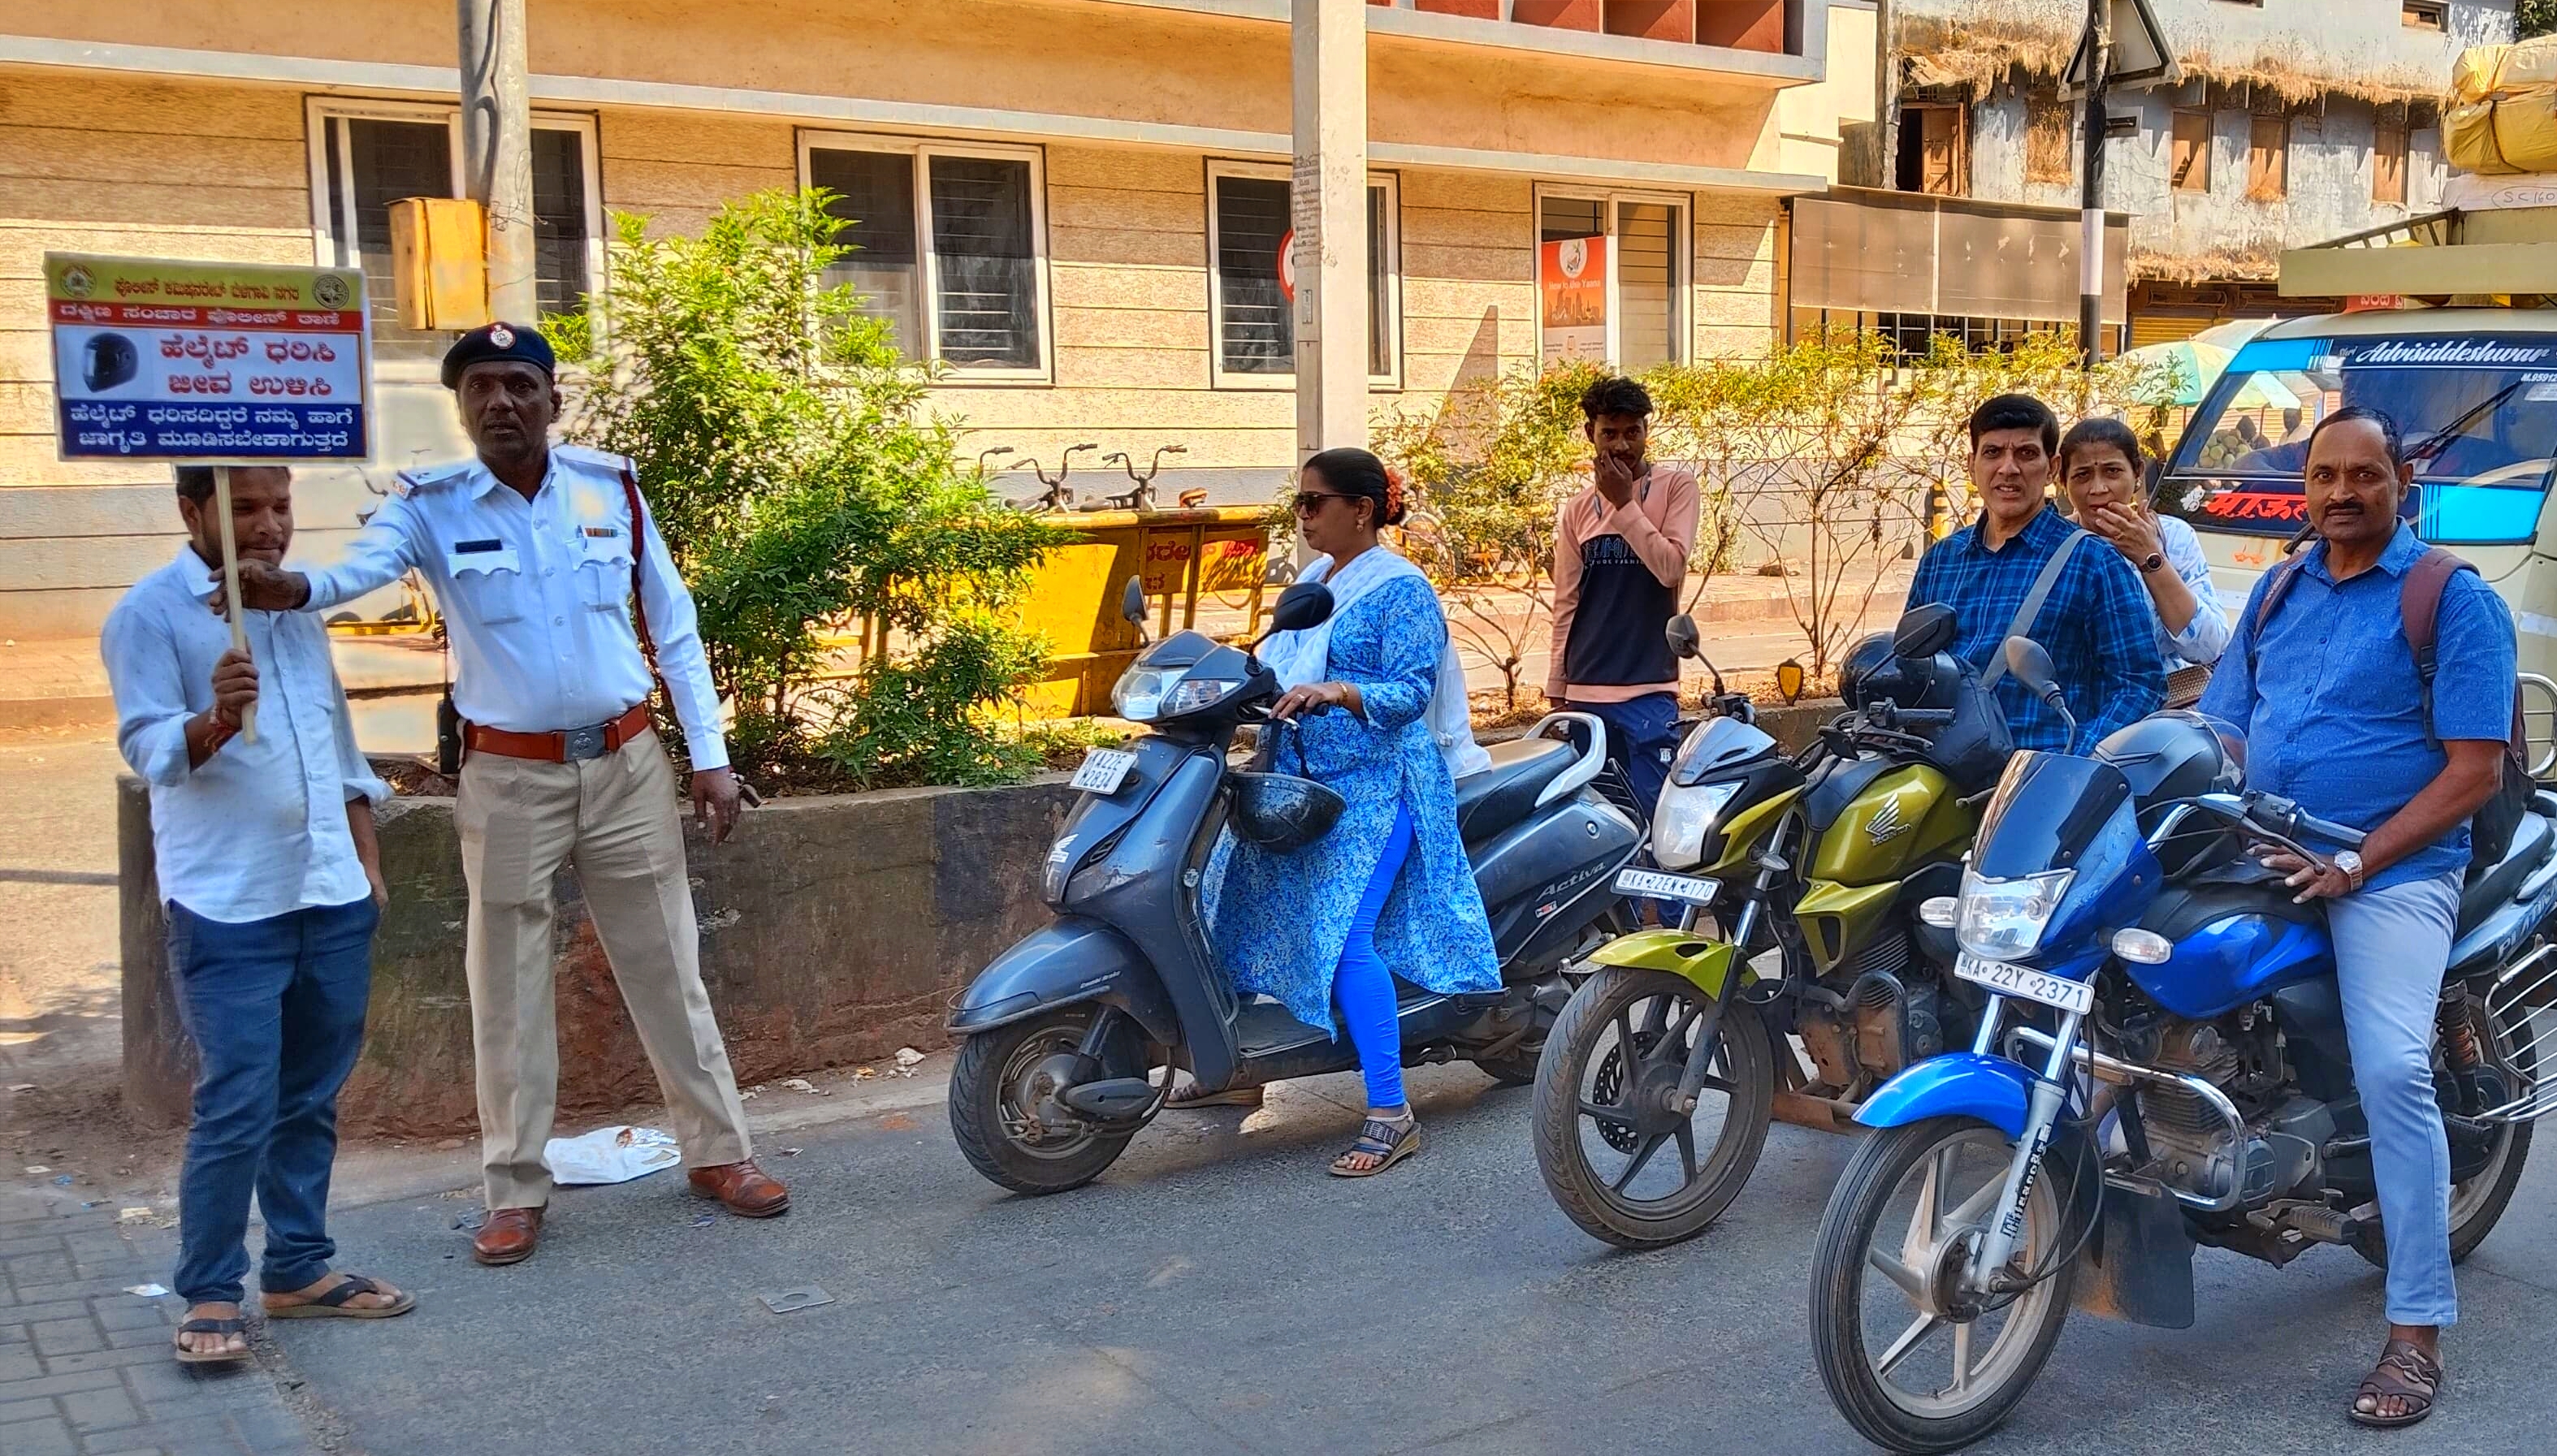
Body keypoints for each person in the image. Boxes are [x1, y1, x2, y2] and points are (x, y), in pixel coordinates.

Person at [223, 322, 786, 1266]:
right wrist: (291, 587)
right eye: (480, 387)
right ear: (462, 407)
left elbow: (674, 629)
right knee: (508, 987)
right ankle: (514, 1188)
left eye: (518, 385)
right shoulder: (430, 505)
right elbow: (359, 568)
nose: (500, 402)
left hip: (627, 762)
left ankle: (719, 1152)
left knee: (665, 966)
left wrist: (713, 757)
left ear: (552, 399)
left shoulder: (614, 491)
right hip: (508, 775)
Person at [2199, 406, 2517, 1430]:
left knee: (2390, 1066)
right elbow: (2224, 722)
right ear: (2304, 487)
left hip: (2395, 868)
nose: (2341, 492)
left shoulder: (2450, 599)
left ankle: (2415, 1327)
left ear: (2398, 486)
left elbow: (2474, 769)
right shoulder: (2281, 588)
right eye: (2323, 475)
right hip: (2268, 845)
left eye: (2362, 476)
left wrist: (2356, 856)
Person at [102, 465, 411, 1364]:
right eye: (244, 508)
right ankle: (207, 1288)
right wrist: (212, 718)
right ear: (192, 512)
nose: (269, 525)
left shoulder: (294, 605)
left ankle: (300, 1268)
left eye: (279, 505)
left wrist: (367, 856)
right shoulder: (148, 613)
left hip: (330, 891)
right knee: (238, 1100)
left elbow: (334, 737)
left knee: (310, 1097)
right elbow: (147, 743)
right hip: (230, 903)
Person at [1205, 447, 1500, 1176]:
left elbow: (1409, 692)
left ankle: (1391, 1112)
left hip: (1380, 786)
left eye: (1313, 502)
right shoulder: (1312, 580)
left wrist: (1342, 692)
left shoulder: (1403, 591)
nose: (1301, 516)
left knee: (1345, 939)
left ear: (1361, 509)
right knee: (1225, 898)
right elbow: (1275, 665)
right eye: (1297, 503)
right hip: (1303, 777)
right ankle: (1235, 1069)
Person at [1906, 395, 2164, 752]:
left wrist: (2074, 760)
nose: (2008, 469)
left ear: (2053, 467)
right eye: (1993, 453)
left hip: (2035, 780)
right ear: (1972, 464)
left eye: (2026, 454)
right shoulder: (1941, 561)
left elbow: (2140, 685)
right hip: (1942, 770)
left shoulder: (2094, 562)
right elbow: (1912, 666)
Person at [1546, 375, 1700, 818]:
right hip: (1587, 688)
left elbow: (1670, 568)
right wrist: (1558, 685)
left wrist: (1623, 504)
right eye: (1608, 433)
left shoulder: (1676, 489)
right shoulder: (1577, 511)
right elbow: (1567, 602)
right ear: (1589, 435)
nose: (1621, 446)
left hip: (1650, 687)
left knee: (1656, 817)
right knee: (1601, 819)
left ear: (1646, 434)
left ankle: (1658, 891)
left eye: (1632, 432)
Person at [2057, 417, 2229, 702]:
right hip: (2076, 709)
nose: (2098, 489)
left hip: (2163, 709)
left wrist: (2150, 557)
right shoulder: (2056, 545)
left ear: (2137, 473)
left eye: (2112, 472)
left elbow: (2208, 647)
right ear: (2062, 482)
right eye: (2082, 475)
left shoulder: (2172, 538)